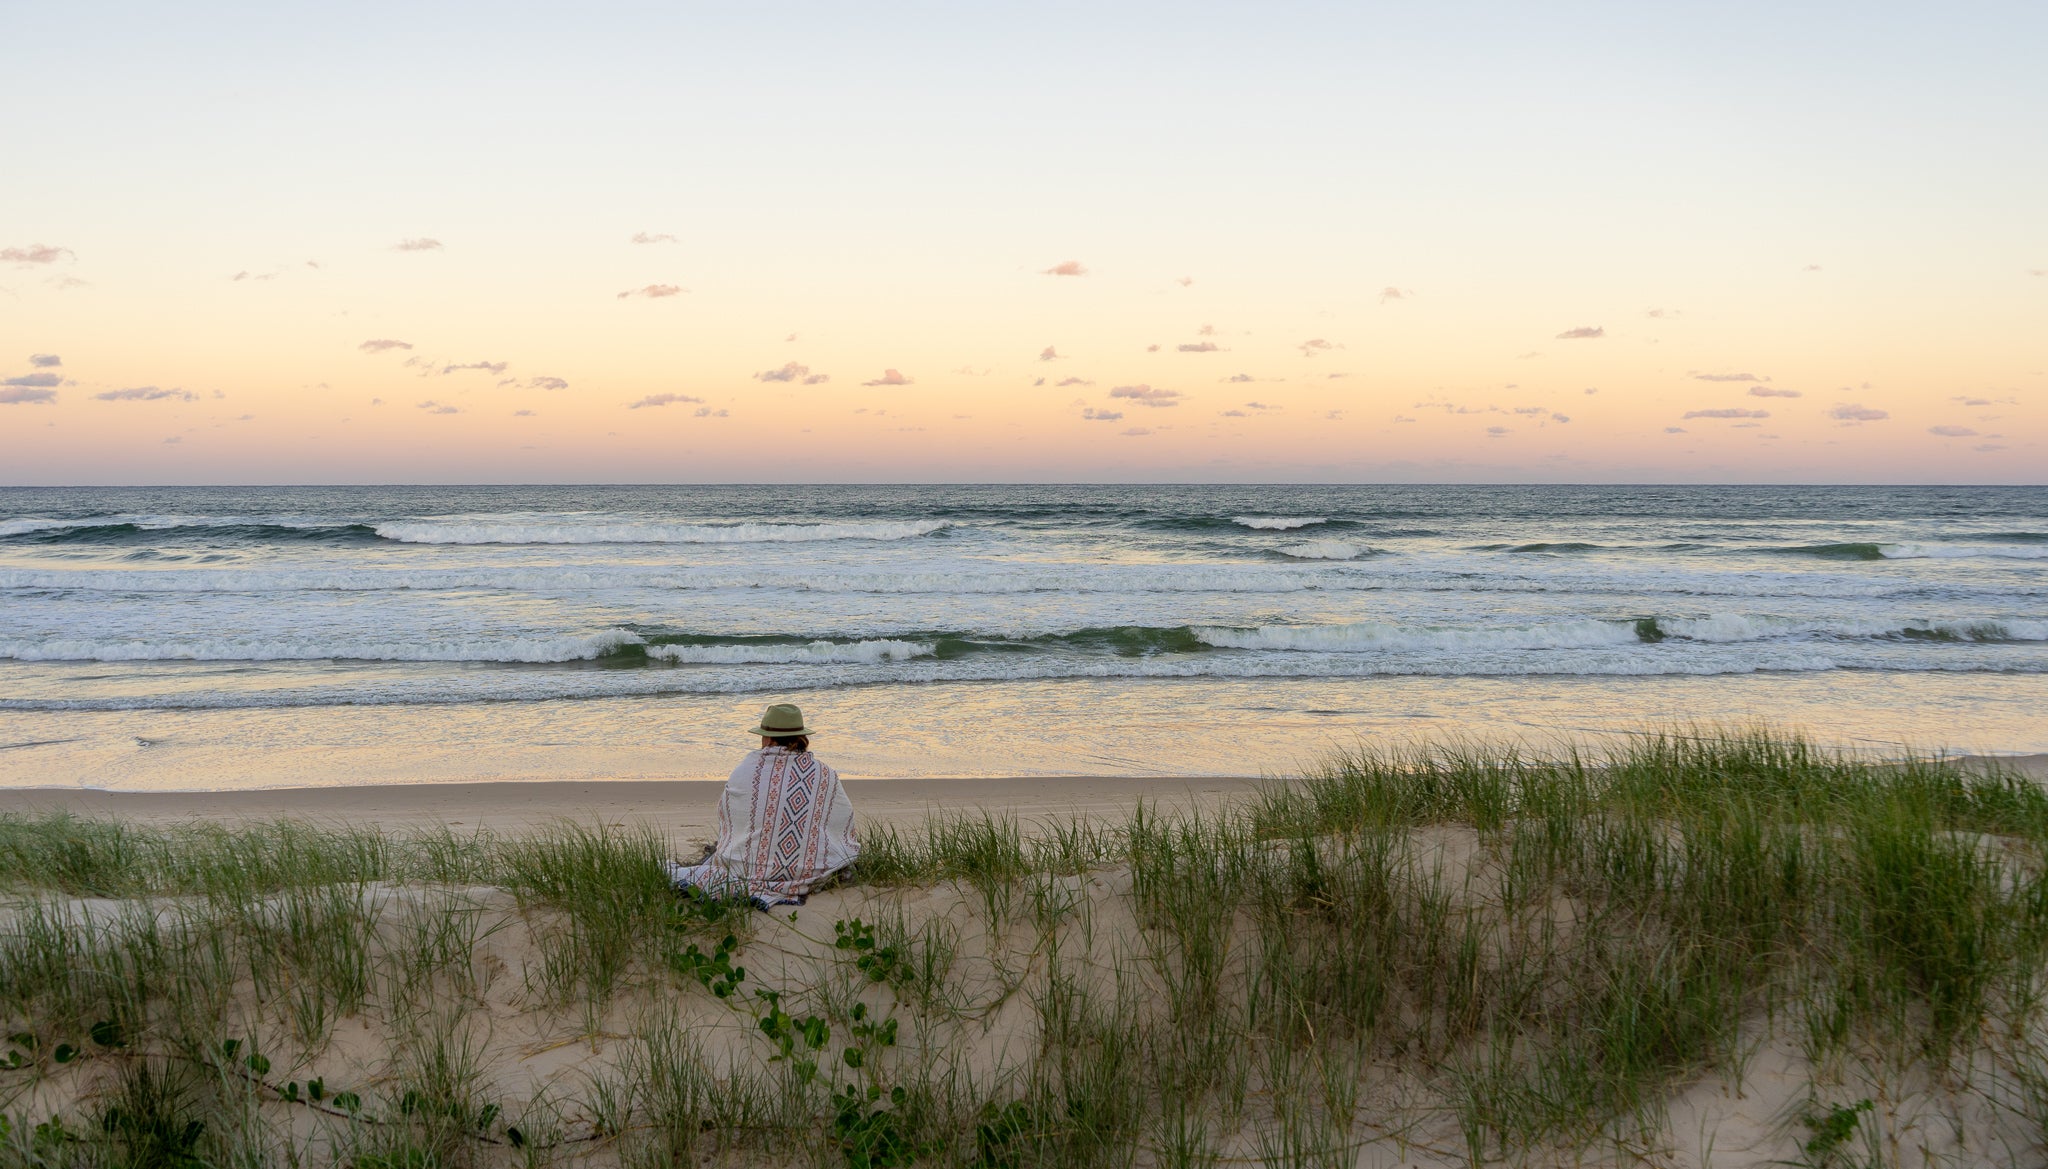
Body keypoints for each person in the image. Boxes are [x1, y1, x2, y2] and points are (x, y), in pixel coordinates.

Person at [664, 702, 859, 907]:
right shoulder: (824, 773)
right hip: (810, 873)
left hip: (745, 870)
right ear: (801, 737)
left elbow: (729, 822)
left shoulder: (746, 770)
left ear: (767, 738)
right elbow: (843, 822)